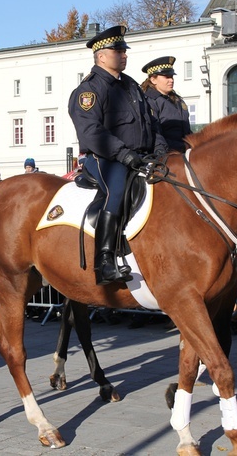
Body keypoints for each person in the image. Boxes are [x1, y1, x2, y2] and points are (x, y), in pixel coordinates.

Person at [68, 25, 167, 285]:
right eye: (118, 50)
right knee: (118, 189)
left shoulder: (131, 86)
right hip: (105, 158)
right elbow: (91, 131)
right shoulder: (90, 90)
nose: (124, 55)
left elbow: (151, 124)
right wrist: (123, 155)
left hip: (140, 156)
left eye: (124, 50)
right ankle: (104, 262)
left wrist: (160, 150)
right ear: (101, 55)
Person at [140, 56, 190, 152]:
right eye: (167, 77)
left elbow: (186, 131)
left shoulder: (178, 101)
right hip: (166, 155)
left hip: (183, 152)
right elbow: (155, 135)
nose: (171, 80)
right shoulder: (149, 101)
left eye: (171, 76)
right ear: (153, 80)